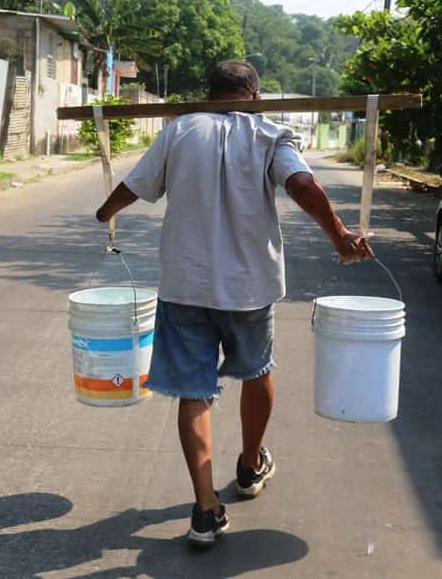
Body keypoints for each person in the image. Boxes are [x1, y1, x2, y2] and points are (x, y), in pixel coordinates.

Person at [95, 60, 373, 548]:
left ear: (209, 93)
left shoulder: (179, 130)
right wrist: (340, 236)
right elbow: (303, 185)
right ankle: (249, 465)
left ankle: (205, 510)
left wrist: (105, 212)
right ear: (254, 94)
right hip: (248, 286)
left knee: (193, 393)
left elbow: (135, 185)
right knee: (256, 369)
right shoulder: (270, 132)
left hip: (186, 285)